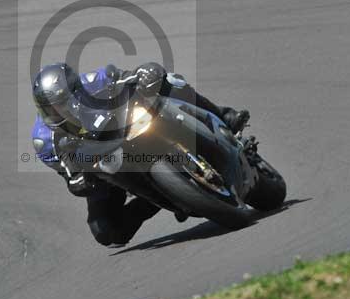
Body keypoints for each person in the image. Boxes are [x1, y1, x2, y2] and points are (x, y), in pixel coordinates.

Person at [31, 62, 249, 246]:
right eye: (49, 109)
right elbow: (68, 173)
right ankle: (154, 199)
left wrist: (146, 73)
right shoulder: (45, 140)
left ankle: (222, 115)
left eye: (61, 104)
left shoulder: (92, 81)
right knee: (105, 232)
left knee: (170, 82)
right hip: (105, 162)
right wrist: (77, 181)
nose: (57, 112)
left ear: (76, 92)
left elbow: (127, 77)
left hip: (128, 123)